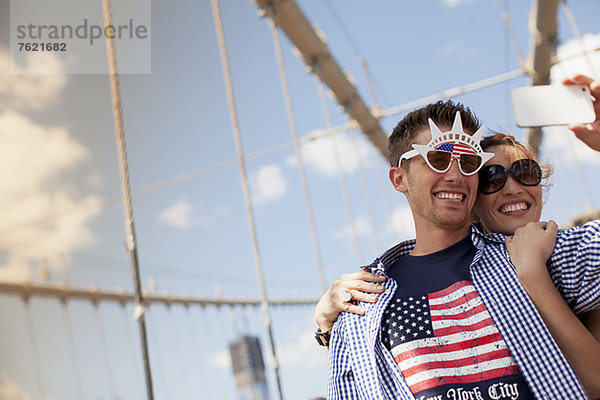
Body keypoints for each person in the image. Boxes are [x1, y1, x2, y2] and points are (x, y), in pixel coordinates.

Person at [323, 75, 600, 399]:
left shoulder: (539, 253)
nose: (455, 175)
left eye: (468, 162)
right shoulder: (361, 306)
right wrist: (324, 325)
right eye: (437, 159)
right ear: (400, 179)